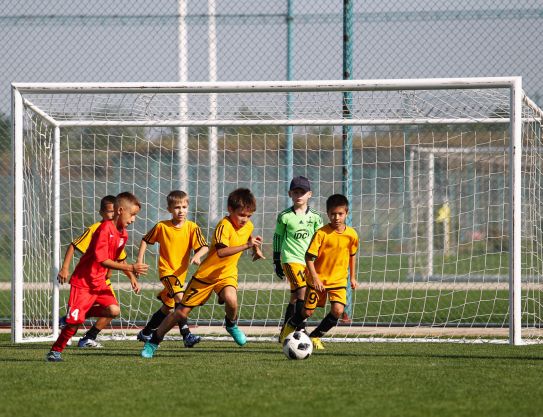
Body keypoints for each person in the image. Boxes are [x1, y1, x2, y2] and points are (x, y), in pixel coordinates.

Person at [140, 188, 265, 358]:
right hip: (206, 276)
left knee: (231, 300)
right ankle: (154, 340)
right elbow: (221, 252)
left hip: (227, 273)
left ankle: (231, 325)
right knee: (180, 312)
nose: (245, 220)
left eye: (249, 216)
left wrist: (256, 248)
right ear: (230, 209)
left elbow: (248, 236)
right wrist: (246, 246)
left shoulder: (248, 225)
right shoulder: (224, 226)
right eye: (242, 215)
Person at [46, 192, 149, 362]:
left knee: (113, 310)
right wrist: (130, 267)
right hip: (84, 281)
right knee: (75, 321)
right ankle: (55, 351)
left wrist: (131, 275)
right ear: (120, 210)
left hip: (100, 282)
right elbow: (103, 260)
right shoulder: (103, 229)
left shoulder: (123, 234)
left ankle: (77, 316)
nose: (133, 220)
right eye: (132, 215)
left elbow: (116, 258)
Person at [280, 194, 358, 350]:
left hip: (338, 281)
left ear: (346, 213)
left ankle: (315, 336)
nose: (336, 217)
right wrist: (315, 278)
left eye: (340, 214)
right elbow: (308, 257)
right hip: (318, 280)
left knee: (338, 310)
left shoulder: (352, 235)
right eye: (333, 214)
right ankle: (289, 326)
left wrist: (353, 278)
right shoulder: (321, 233)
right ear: (328, 214)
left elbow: (352, 255)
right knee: (307, 312)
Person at [136, 190, 208, 348]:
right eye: (177, 207)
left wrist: (197, 256)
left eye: (184, 207)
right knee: (181, 301)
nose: (181, 210)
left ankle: (146, 332)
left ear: (188, 207)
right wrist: (140, 260)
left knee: (168, 308)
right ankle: (186, 335)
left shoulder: (192, 227)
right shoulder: (162, 226)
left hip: (180, 275)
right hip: (167, 272)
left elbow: (204, 247)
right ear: (169, 209)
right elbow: (145, 240)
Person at [57, 195, 129, 348]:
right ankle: (62, 341)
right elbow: (73, 245)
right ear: (101, 212)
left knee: (113, 310)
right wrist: (65, 268)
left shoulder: (119, 232)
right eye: (109, 211)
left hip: (103, 281)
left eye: (113, 211)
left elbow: (120, 258)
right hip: (87, 279)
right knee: (78, 316)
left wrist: (132, 278)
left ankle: (88, 337)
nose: (112, 214)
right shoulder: (96, 229)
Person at [273, 176, 323, 341]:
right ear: (290, 194)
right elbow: (278, 237)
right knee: (302, 290)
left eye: (302, 192)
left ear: (310, 194)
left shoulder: (316, 217)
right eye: (296, 192)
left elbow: (321, 240)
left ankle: (285, 331)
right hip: (290, 259)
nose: (299, 195)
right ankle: (301, 329)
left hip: (308, 262)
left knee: (295, 297)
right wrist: (276, 260)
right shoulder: (285, 216)